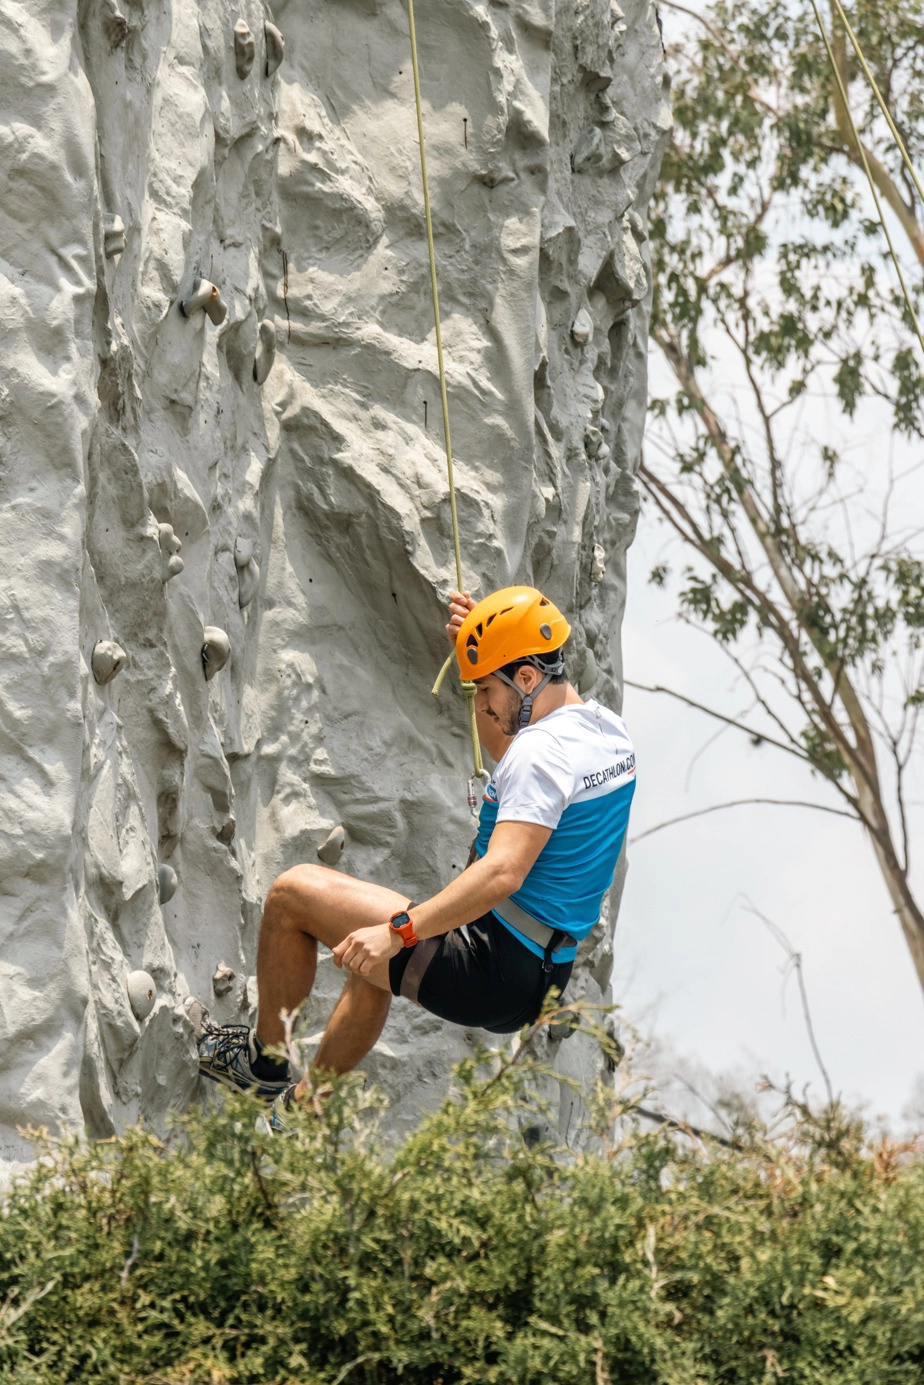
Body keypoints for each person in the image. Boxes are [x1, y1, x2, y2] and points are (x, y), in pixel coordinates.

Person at [195, 585, 636, 1121]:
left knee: (293, 896)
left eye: (485, 689)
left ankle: (260, 1067)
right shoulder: (609, 735)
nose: (480, 704)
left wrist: (400, 931)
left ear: (526, 678)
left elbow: (502, 872)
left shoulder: (542, 754)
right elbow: (513, 750)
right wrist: (482, 646)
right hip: (542, 972)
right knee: (372, 962)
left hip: (491, 963)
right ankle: (303, 1113)